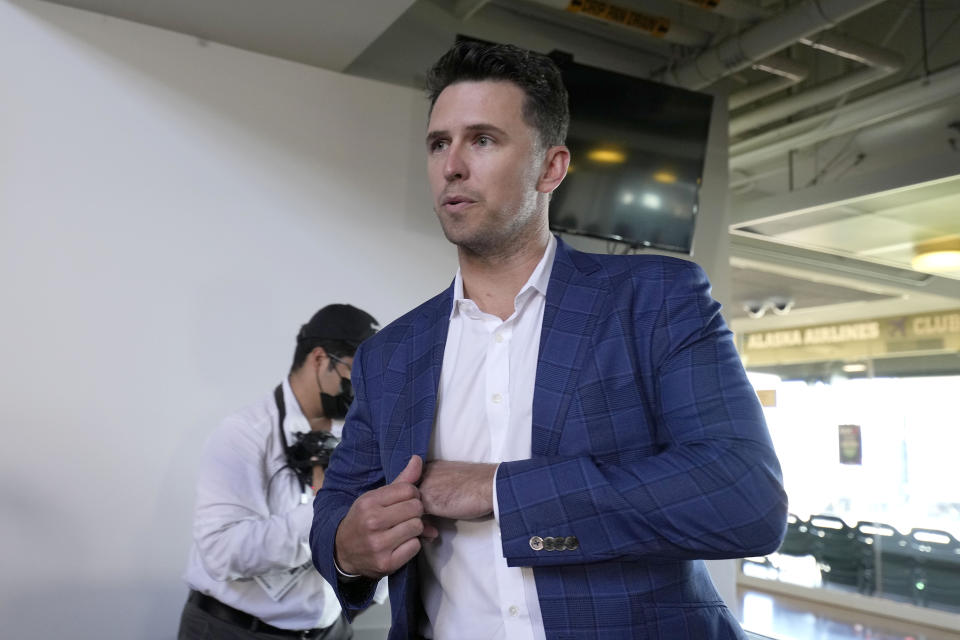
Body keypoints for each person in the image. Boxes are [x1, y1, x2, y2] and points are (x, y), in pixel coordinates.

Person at [310, 41, 787, 640]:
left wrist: (496, 488)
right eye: (439, 143)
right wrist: (346, 546)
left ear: (551, 167)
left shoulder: (654, 301)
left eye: (482, 139)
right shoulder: (391, 353)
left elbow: (744, 497)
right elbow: (337, 511)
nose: (452, 165)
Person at [179, 304, 380, 640]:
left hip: (331, 630)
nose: (361, 387)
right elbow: (220, 551)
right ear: (319, 359)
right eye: (354, 372)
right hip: (234, 630)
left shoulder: (359, 436)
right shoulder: (243, 434)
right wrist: (326, 516)